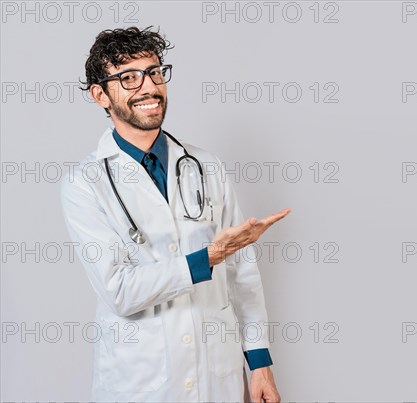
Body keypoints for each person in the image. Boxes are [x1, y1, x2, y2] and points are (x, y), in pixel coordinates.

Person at [60, 26, 290, 402]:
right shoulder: (84, 183)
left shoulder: (207, 166)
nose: (148, 88)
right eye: (128, 78)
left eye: (154, 73)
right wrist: (207, 259)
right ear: (100, 95)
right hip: (140, 380)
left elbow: (242, 273)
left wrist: (260, 362)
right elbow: (119, 291)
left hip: (215, 374)